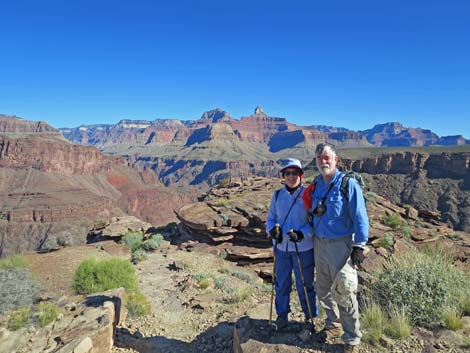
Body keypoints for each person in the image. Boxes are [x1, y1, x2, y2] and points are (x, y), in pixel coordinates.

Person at [309, 143, 368, 353]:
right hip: (319, 244)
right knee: (323, 289)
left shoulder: (348, 184)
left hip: (340, 245)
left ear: (336, 159)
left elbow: (360, 216)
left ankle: (352, 339)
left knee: (344, 290)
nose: (323, 162)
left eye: (327, 158)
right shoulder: (316, 184)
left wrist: (359, 246)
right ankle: (333, 325)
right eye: (319, 158)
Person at [266, 158, 318, 330]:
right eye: (288, 173)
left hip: (303, 248)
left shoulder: (308, 195)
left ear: (300, 175)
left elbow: (314, 221)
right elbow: (271, 218)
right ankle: (282, 316)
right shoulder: (277, 195)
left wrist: (303, 233)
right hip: (282, 248)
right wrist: (272, 231)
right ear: (283, 175)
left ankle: (309, 316)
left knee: (305, 284)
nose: (291, 176)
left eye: (295, 173)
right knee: (281, 283)